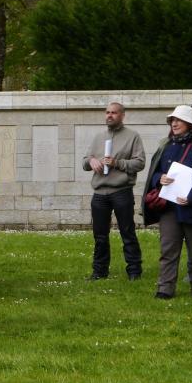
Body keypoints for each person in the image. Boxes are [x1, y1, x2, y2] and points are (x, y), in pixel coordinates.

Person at [143, 105, 192, 299]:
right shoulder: (165, 145)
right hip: (169, 208)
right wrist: (159, 179)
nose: (174, 123)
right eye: (172, 120)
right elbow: (154, 174)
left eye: (178, 120)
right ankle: (165, 289)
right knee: (168, 250)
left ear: (189, 123)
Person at [82, 102, 145, 281]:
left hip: (121, 191)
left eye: (114, 113)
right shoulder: (98, 137)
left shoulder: (133, 136)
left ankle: (134, 271)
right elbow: (85, 161)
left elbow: (140, 163)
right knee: (100, 235)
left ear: (122, 115)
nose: (109, 115)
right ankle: (99, 271)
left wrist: (118, 163)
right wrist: (91, 161)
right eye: (107, 112)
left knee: (127, 231)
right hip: (100, 193)